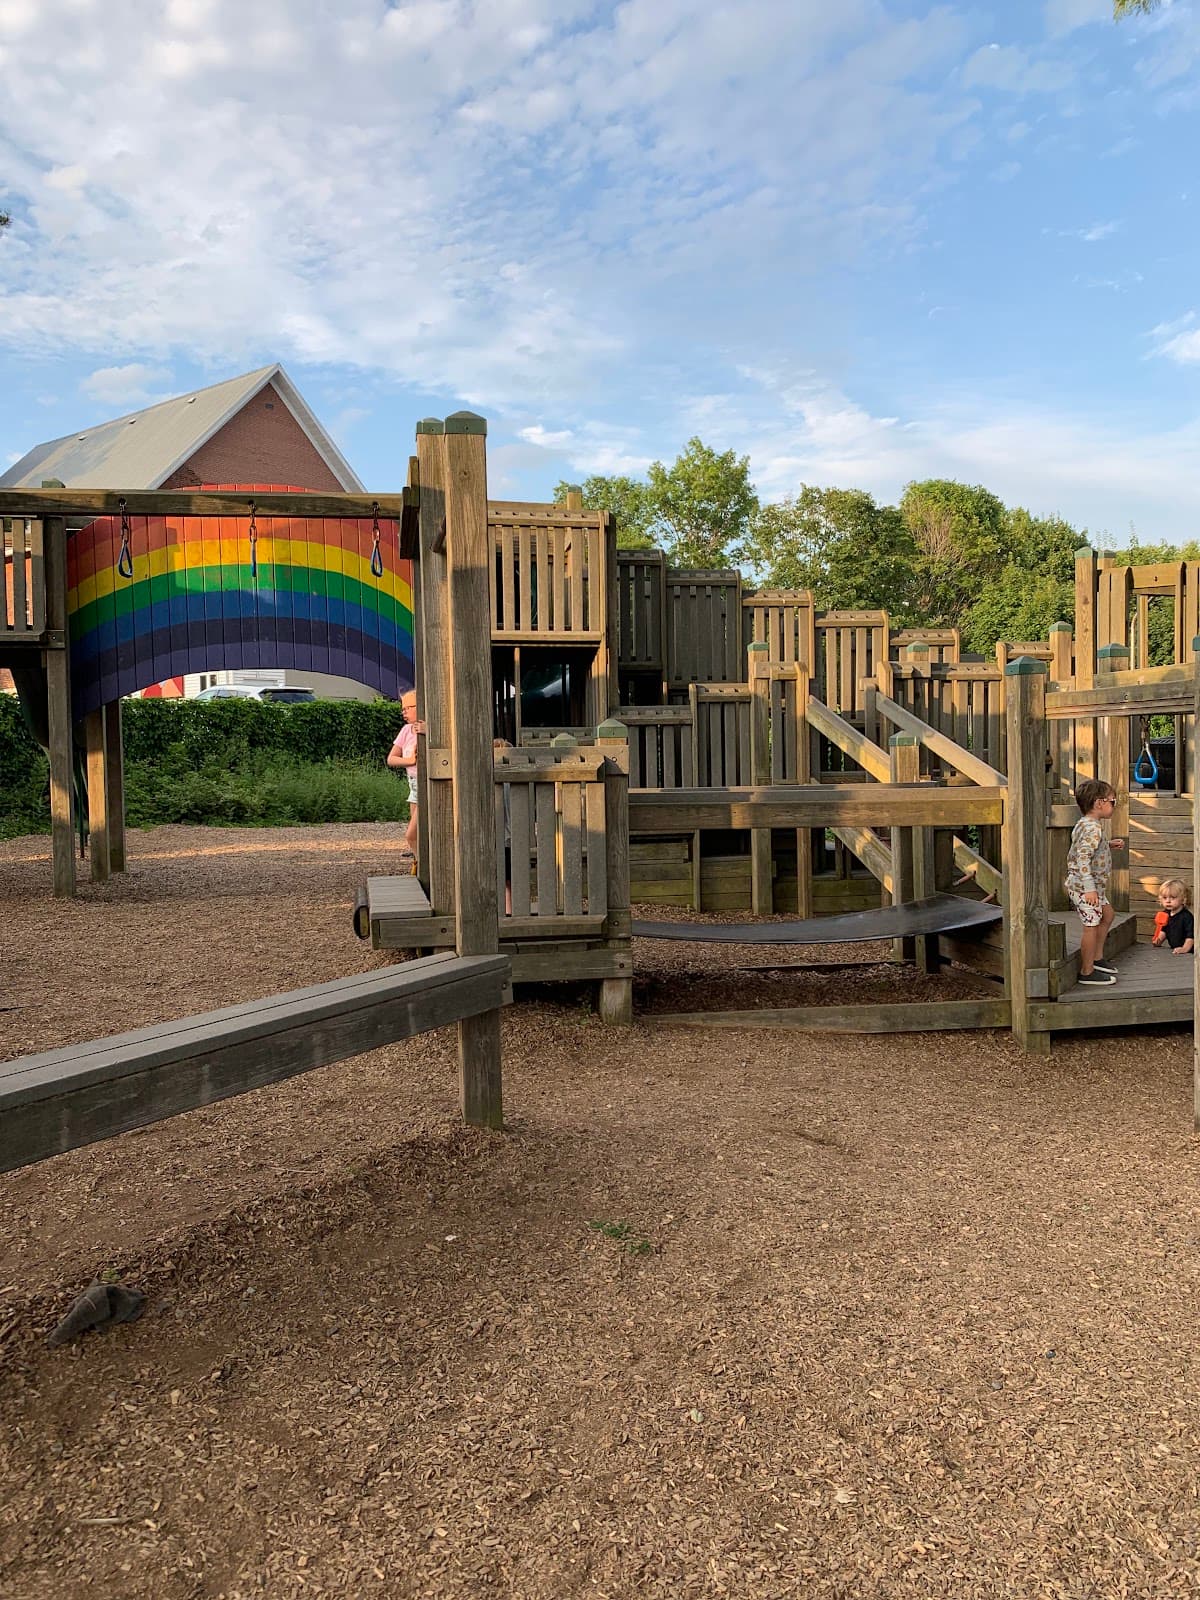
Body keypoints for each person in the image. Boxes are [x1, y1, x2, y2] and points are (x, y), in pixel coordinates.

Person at [1065, 778, 1125, 985]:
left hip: (1093, 887)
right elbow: (1082, 858)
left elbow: (1084, 849)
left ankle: (1097, 958)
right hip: (1085, 888)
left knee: (1107, 915)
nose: (1114, 806)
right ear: (1099, 803)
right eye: (1112, 801)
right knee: (1091, 925)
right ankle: (1087, 971)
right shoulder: (1093, 828)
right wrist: (1089, 890)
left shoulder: (1087, 824)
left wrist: (1107, 845)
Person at [387, 690, 423, 865]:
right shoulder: (406, 730)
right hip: (413, 786)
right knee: (417, 834)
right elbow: (391, 758)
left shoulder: (430, 727)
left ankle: (422, 866)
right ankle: (421, 867)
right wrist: (410, 760)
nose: (404, 712)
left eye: (408, 708)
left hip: (425, 786)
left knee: (412, 834)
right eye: (403, 709)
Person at [493, 738, 513, 915]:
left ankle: (505, 909)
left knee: (504, 878)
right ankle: (508, 908)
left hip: (498, 836)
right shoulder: (514, 780)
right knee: (509, 880)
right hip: (511, 836)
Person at [1152, 878, 1194, 956]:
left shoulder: (1187, 917)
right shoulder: (1165, 914)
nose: (1168, 901)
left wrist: (1184, 949)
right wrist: (1159, 940)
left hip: (1190, 952)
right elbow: (1164, 930)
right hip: (1175, 950)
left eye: (1173, 898)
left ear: (1183, 899)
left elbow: (1190, 936)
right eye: (1165, 898)